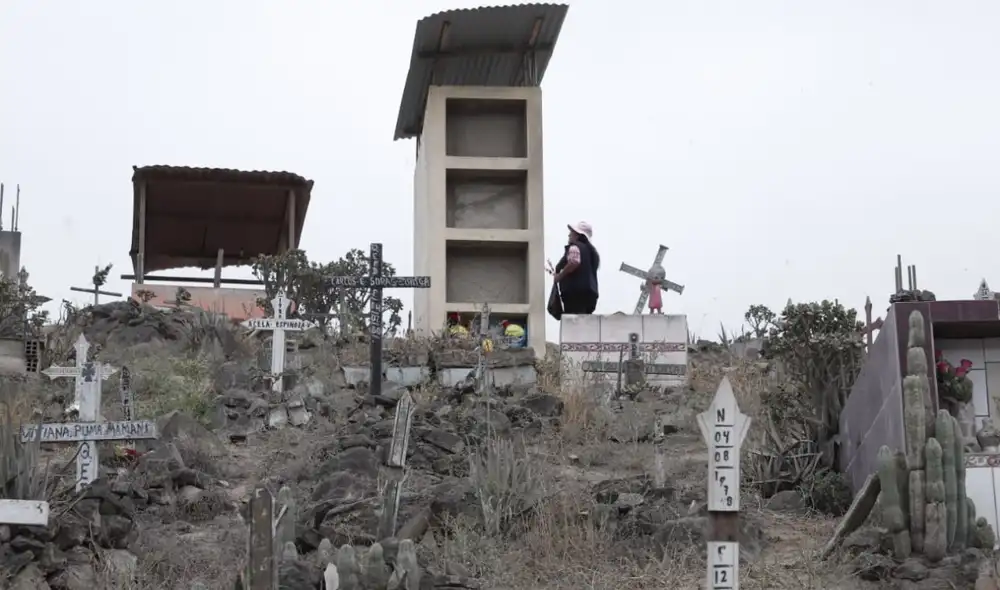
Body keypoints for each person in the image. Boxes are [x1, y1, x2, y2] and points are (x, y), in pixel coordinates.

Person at [552, 221, 600, 314]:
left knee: (574, 322)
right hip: (590, 296)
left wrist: (559, 276)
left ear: (577, 235)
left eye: (572, 233)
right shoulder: (592, 253)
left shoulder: (574, 247)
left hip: (574, 294)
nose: (569, 235)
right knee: (584, 323)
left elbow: (574, 262)